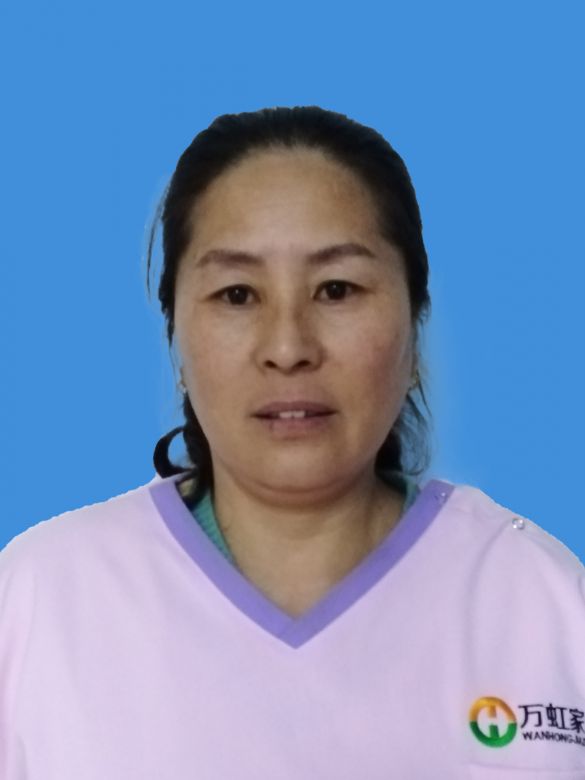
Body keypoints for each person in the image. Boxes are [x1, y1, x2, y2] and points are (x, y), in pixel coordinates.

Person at [1, 106, 584, 779]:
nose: (287, 347)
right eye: (237, 294)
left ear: (415, 322)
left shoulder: (541, 602)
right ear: (175, 336)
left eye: (336, 289)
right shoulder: (41, 597)